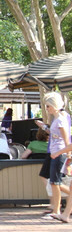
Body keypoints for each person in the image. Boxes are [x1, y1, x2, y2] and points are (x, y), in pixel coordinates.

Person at [36, 92, 71, 221]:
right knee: (54, 182)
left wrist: (67, 153)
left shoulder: (61, 119)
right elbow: (55, 134)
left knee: (55, 182)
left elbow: (66, 139)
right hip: (55, 152)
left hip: (58, 153)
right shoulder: (57, 119)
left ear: (54, 106)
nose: (47, 109)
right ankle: (57, 209)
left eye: (48, 106)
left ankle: (56, 209)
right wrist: (44, 127)